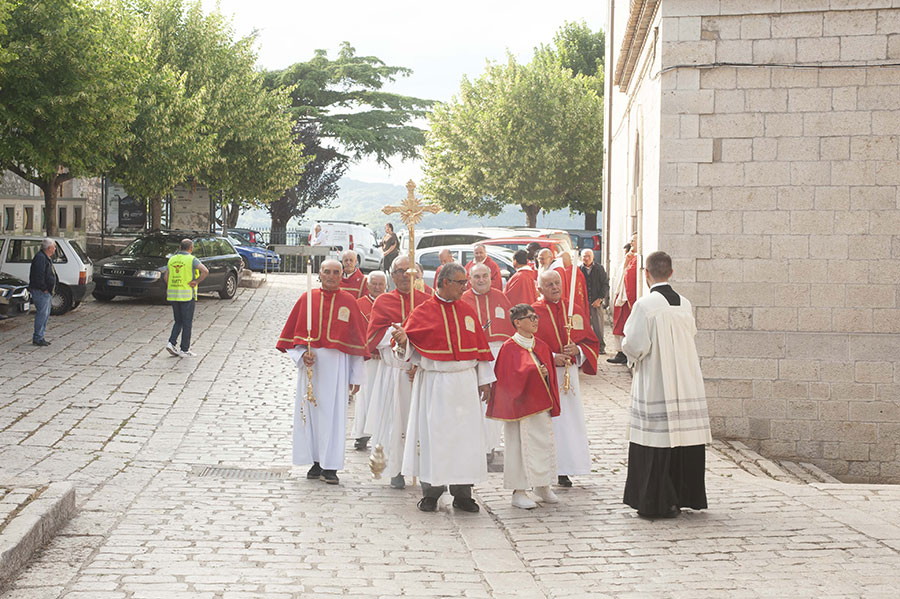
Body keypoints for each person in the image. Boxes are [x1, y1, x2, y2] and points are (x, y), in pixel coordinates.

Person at [391, 263, 495, 512]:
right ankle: (431, 492)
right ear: (445, 282)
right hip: (435, 384)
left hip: (465, 384)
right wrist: (404, 341)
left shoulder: (467, 311)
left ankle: (462, 494)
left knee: (465, 440)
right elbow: (406, 351)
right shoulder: (423, 311)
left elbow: (480, 350)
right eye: (461, 282)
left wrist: (485, 381)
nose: (465, 287)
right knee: (433, 438)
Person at [622, 251, 711, 518]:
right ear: (671, 273)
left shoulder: (645, 305)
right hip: (686, 378)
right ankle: (683, 496)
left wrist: (629, 356)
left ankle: (656, 501)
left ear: (646, 274)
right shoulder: (684, 303)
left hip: (657, 380)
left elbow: (635, 344)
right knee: (683, 437)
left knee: (656, 437)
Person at [276, 259, 368, 485]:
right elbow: (291, 341)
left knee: (334, 417)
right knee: (311, 415)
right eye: (327, 272)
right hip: (311, 367)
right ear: (319, 274)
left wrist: (355, 377)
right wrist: (301, 356)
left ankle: (331, 466)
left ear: (341, 275)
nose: (331, 276)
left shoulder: (349, 302)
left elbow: (356, 343)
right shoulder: (307, 299)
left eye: (336, 272)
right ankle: (315, 461)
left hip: (337, 367)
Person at [364, 256, 430, 489]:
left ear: (418, 274)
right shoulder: (383, 301)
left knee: (421, 421)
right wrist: (398, 338)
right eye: (400, 271)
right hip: (393, 372)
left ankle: (423, 469)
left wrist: (418, 359)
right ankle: (395, 468)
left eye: (409, 270)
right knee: (394, 421)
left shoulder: (427, 301)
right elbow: (373, 336)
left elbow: (433, 336)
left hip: (420, 373)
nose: (405, 275)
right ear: (392, 276)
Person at [488, 303, 561, 509]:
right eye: (530, 318)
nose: (535, 321)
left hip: (540, 405)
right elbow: (507, 379)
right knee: (519, 448)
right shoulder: (509, 348)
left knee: (544, 444)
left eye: (536, 317)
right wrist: (536, 371)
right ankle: (518, 491)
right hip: (519, 409)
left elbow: (548, 374)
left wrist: (544, 374)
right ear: (517, 322)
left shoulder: (542, 346)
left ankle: (542, 485)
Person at [532, 270, 599, 488]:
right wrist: (552, 357)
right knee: (550, 424)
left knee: (570, 423)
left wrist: (578, 349)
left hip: (570, 377)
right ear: (539, 288)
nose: (555, 288)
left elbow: (591, 341)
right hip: (546, 376)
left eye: (557, 283)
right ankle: (547, 468)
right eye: (549, 284)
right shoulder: (533, 313)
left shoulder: (574, 310)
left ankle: (566, 468)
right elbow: (530, 346)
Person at [462, 262, 515, 458]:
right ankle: (476, 443)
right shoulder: (463, 300)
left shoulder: (500, 297)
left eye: (485, 276)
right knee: (477, 401)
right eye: (477, 277)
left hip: (499, 354)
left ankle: (490, 444)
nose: (481, 280)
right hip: (475, 356)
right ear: (470, 280)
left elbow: (511, 328)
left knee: (497, 400)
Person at [353, 271, 387, 452]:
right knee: (365, 398)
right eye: (374, 284)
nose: (377, 287)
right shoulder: (358, 305)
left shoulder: (390, 304)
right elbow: (355, 331)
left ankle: (380, 433)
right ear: (367, 285)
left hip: (386, 360)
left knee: (382, 397)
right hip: (367, 359)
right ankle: (361, 434)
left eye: (381, 284)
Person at [161, 239, 209, 358]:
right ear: (191, 248)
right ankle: (184, 349)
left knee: (178, 321)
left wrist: (172, 285)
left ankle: (171, 343)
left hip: (173, 294)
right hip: (187, 295)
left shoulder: (172, 259)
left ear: (179, 247)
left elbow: (166, 277)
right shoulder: (192, 259)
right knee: (187, 322)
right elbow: (205, 271)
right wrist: (196, 281)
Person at [609, 239, 638, 364]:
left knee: (625, 326)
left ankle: (625, 353)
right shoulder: (629, 258)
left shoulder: (636, 259)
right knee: (619, 325)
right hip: (621, 295)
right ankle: (620, 352)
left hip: (627, 298)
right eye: (631, 241)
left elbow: (630, 276)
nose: (631, 242)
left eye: (634, 240)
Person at [28, 238, 57, 346]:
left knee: (45, 314)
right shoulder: (40, 258)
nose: (55, 249)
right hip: (41, 291)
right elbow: (38, 275)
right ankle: (38, 337)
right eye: (54, 246)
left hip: (46, 291)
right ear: (49, 248)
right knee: (42, 314)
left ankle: (40, 336)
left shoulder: (45, 257)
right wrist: (44, 288)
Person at [580, 248, 609, 355]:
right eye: (584, 256)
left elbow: (605, 285)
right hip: (583, 303)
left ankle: (601, 346)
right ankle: (585, 346)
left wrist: (600, 299)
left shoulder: (599, 269)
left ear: (593, 257)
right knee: (584, 325)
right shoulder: (579, 269)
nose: (586, 258)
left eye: (588, 256)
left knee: (598, 326)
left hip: (596, 301)